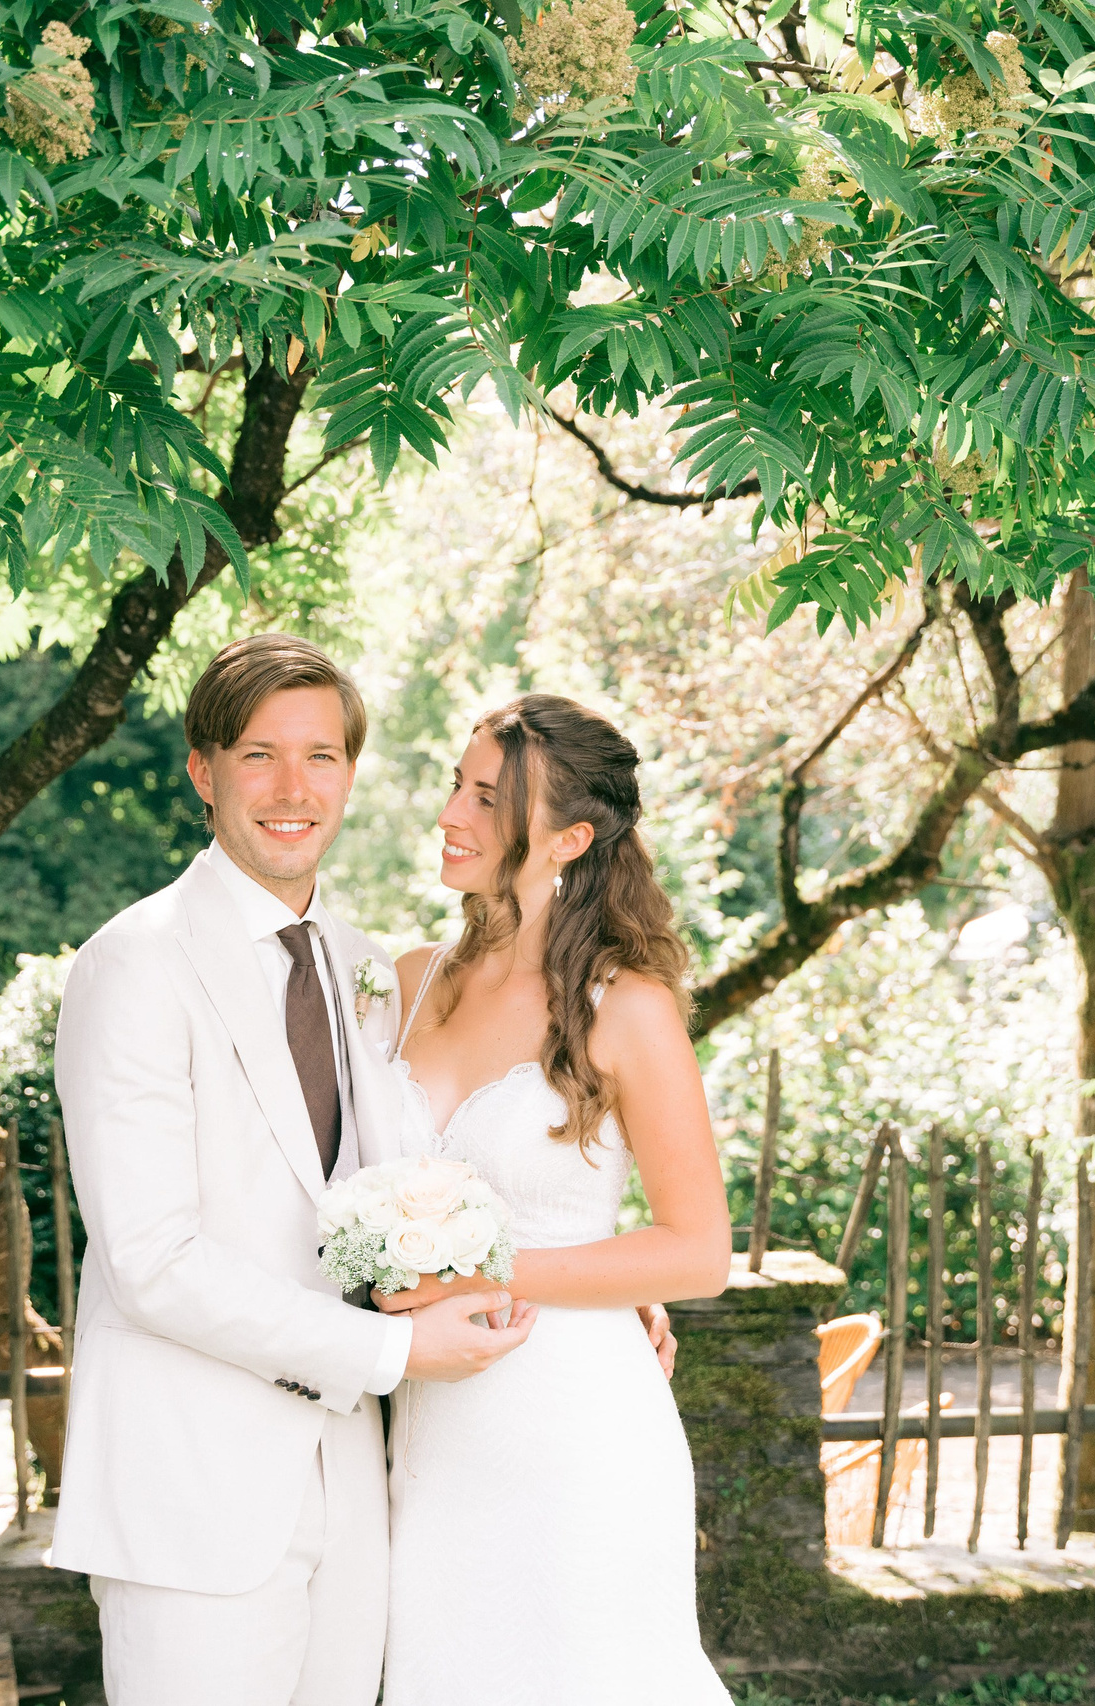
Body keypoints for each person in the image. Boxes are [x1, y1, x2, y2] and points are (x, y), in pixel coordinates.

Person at [48, 634, 542, 1706]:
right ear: (202, 770)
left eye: (321, 756)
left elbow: (419, 1192)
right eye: (259, 753)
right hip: (191, 1492)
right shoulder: (133, 963)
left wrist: (575, 1290)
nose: (291, 787)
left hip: (350, 1486)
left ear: (352, 775)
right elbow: (152, 1260)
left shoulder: (367, 966)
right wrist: (391, 1343)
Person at [379, 693, 735, 1704]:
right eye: (456, 782)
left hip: (574, 1431)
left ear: (568, 838)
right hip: (426, 1436)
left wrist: (483, 1269)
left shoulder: (626, 1007)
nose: (451, 812)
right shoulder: (400, 985)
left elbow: (697, 1249)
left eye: (489, 799)